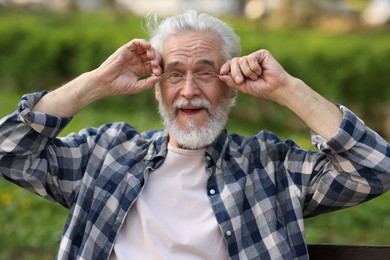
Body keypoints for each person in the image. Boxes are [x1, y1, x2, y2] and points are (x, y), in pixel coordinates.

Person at [0, 10, 389, 260]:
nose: (188, 91)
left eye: (205, 73)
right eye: (174, 75)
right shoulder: (105, 154)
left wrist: (287, 88)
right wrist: (95, 82)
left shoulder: (270, 167)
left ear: (231, 85)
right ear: (157, 86)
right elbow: (9, 152)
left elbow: (375, 169)